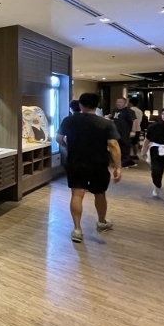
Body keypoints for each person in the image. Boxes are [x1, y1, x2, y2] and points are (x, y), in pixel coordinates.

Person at [56, 92, 121, 243]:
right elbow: (113, 145)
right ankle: (101, 222)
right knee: (100, 193)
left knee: (77, 194)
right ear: (97, 106)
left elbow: (58, 138)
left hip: (75, 162)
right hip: (98, 163)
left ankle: (77, 229)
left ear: (80, 105)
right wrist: (118, 166)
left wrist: (68, 147)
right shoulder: (106, 123)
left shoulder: (69, 120)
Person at [112, 97, 136, 167]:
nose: (118, 104)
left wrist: (133, 131)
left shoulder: (129, 111)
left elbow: (134, 120)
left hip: (125, 132)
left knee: (125, 146)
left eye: (120, 102)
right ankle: (120, 160)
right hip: (116, 132)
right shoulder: (114, 110)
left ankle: (126, 161)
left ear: (125, 103)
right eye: (117, 102)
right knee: (117, 147)